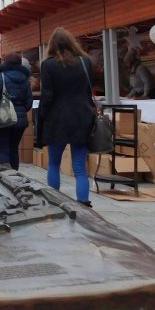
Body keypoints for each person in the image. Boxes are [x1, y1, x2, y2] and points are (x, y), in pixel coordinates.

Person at [37, 27, 95, 208]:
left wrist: (42, 117)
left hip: (57, 118)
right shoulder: (85, 62)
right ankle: (83, 202)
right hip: (82, 116)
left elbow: (47, 96)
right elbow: (88, 91)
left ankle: (55, 201)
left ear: (52, 45)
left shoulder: (48, 65)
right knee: (79, 166)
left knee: (54, 162)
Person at [0, 53, 34, 169]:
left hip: (2, 118)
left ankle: (7, 173)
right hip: (20, 120)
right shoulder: (25, 79)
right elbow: (29, 102)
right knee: (13, 149)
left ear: (5, 62)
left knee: (3, 149)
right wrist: (21, 110)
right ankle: (15, 175)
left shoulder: (0, 76)